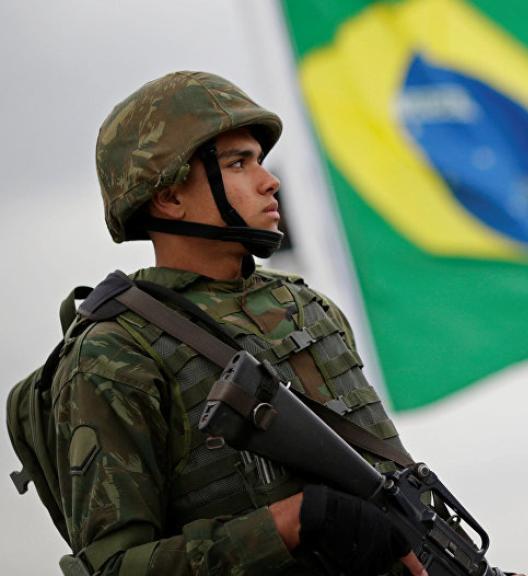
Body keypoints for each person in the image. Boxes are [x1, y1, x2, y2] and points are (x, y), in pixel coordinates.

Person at [51, 71, 428, 575]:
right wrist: (290, 524)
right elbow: (113, 567)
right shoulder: (116, 351)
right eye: (237, 163)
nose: (269, 181)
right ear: (168, 196)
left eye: (261, 161)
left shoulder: (310, 310)